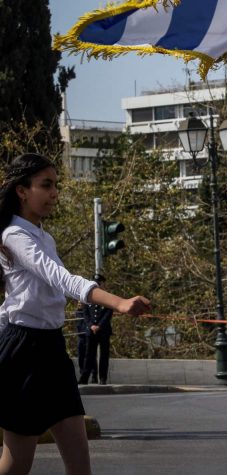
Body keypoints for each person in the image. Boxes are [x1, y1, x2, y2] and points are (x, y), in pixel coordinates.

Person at [0, 153, 151, 475]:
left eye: (56, 185)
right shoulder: (15, 235)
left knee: (79, 462)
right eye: (46, 185)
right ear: (22, 191)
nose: (55, 192)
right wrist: (119, 303)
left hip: (52, 350)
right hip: (23, 353)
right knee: (16, 465)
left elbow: (28, 296)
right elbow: (63, 279)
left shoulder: (44, 236)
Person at [79, 274, 114, 386]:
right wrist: (91, 325)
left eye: (99, 283)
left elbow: (108, 314)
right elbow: (86, 313)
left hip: (103, 330)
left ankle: (102, 378)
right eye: (96, 282)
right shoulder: (88, 297)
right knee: (89, 355)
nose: (97, 285)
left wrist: (99, 325)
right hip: (91, 330)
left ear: (103, 284)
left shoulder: (108, 297)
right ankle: (85, 377)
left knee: (104, 355)